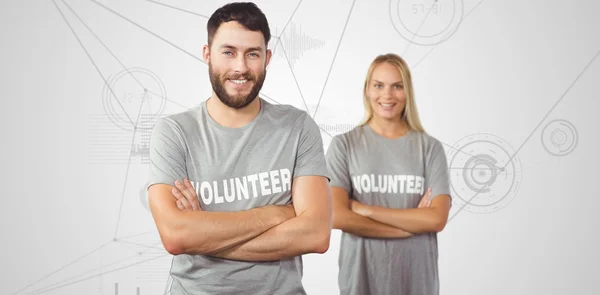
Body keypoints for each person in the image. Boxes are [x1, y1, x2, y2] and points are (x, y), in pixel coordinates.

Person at [146, 2, 332, 294]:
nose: (241, 67)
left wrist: (203, 234)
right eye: (228, 52)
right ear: (207, 54)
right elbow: (176, 236)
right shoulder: (174, 133)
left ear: (267, 58)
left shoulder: (297, 127)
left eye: (252, 54)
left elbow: (316, 235)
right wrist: (275, 215)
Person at [326, 53, 452, 295]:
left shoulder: (429, 148)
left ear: (408, 92)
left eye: (397, 86)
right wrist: (407, 226)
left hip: (417, 281)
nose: (387, 95)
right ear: (367, 90)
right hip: (361, 282)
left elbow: (436, 219)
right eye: (379, 85)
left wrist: (364, 209)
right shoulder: (344, 145)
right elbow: (336, 216)